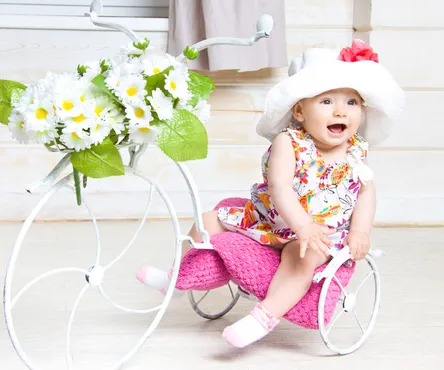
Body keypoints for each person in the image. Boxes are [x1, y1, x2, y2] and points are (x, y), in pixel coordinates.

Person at [136, 39, 404, 348]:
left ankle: (263, 317)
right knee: (209, 219)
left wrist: (359, 230)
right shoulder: (288, 142)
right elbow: (279, 187)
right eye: (327, 102)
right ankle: (176, 278)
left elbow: (366, 192)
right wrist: (300, 224)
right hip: (271, 220)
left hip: (319, 231)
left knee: (303, 257)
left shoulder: (356, 149)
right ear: (300, 111)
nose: (341, 111)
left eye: (351, 102)